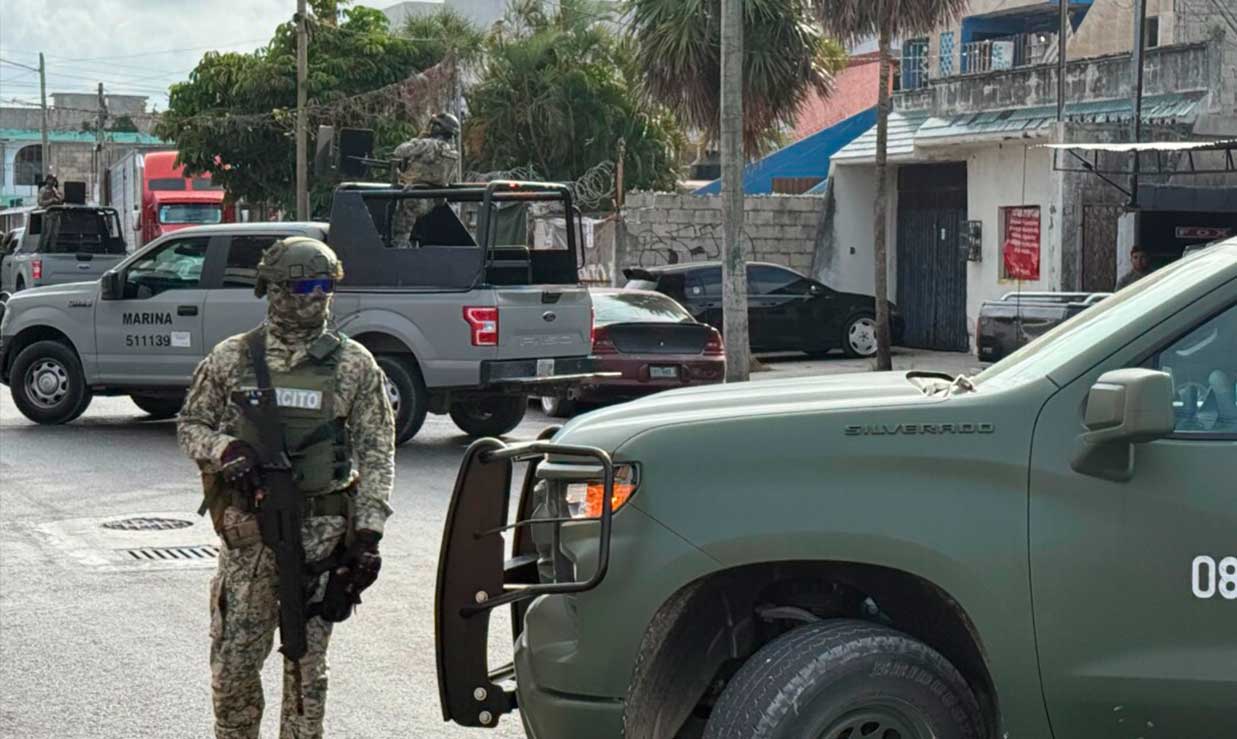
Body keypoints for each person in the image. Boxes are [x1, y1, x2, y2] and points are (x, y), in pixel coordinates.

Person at [177, 237, 395, 739]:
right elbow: (191, 425)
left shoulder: (354, 364)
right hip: (250, 538)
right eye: (304, 285)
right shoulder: (232, 358)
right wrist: (226, 449)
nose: (316, 297)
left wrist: (367, 538)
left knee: (306, 674)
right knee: (233, 666)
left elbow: (377, 453)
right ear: (272, 289)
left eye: (325, 285)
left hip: (322, 542)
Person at [390, 111, 461, 248]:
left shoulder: (427, 144)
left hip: (414, 198)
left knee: (399, 236)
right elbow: (450, 179)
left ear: (437, 128)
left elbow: (399, 151)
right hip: (432, 201)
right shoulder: (453, 154)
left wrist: (418, 139)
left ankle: (400, 251)